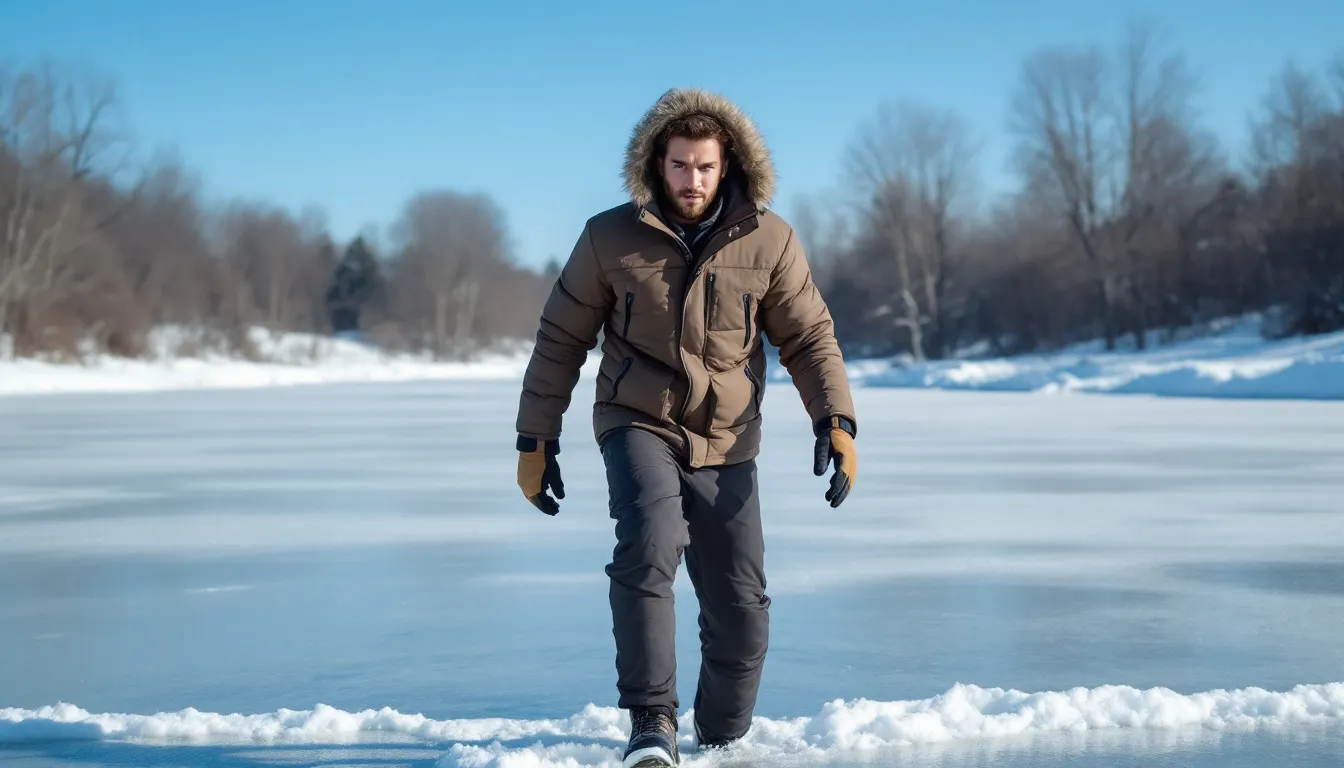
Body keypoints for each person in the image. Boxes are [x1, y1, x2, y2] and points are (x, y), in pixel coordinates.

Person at [513, 87, 858, 768]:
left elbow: (810, 337)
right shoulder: (609, 237)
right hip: (637, 419)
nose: (691, 180)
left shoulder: (770, 239)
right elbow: (561, 338)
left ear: (725, 164)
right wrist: (536, 438)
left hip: (728, 437)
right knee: (650, 540)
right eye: (678, 165)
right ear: (656, 163)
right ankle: (652, 723)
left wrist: (836, 420)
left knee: (742, 607)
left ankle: (722, 735)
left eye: (703, 166)